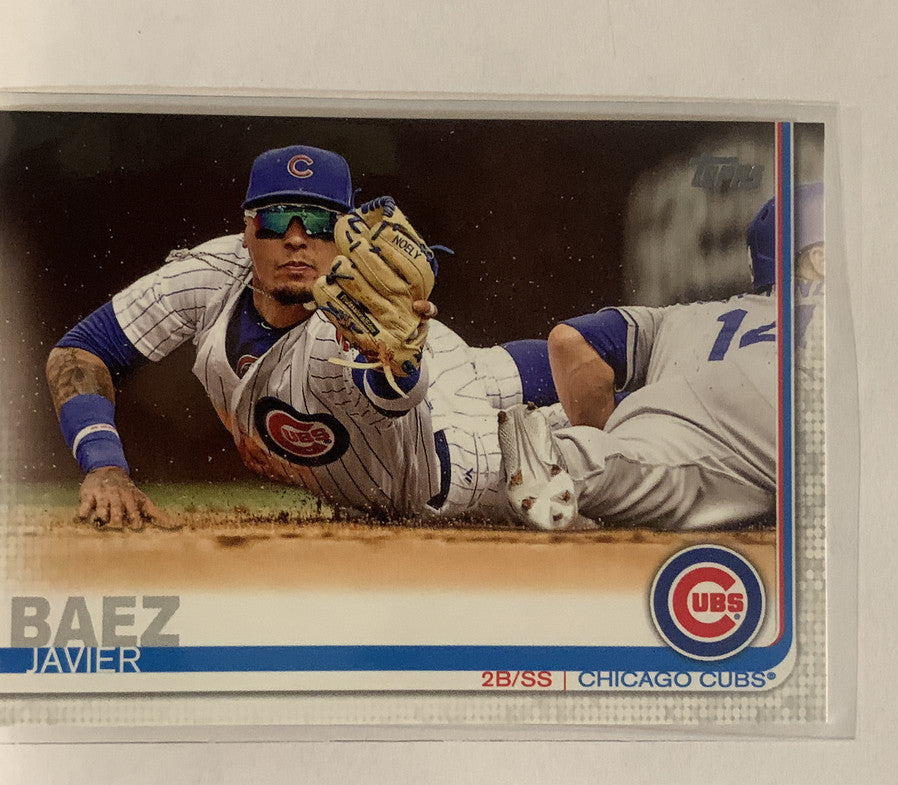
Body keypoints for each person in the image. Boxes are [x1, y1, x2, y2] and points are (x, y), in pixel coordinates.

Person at [46, 145, 554, 528]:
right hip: (434, 401)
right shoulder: (211, 273)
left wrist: (397, 362)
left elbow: (392, 395)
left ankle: (573, 420)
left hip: (457, 458)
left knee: (577, 396)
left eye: (317, 220)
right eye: (275, 218)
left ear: (348, 234)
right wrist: (104, 465)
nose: (295, 237)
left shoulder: (359, 319)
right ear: (247, 230)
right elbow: (80, 351)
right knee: (545, 365)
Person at [499, 182, 825, 530]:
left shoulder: (689, 315)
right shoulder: (843, 316)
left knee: (632, 465)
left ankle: (555, 454)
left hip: (658, 421)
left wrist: (605, 437)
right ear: (820, 260)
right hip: (764, 422)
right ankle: (562, 459)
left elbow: (569, 340)